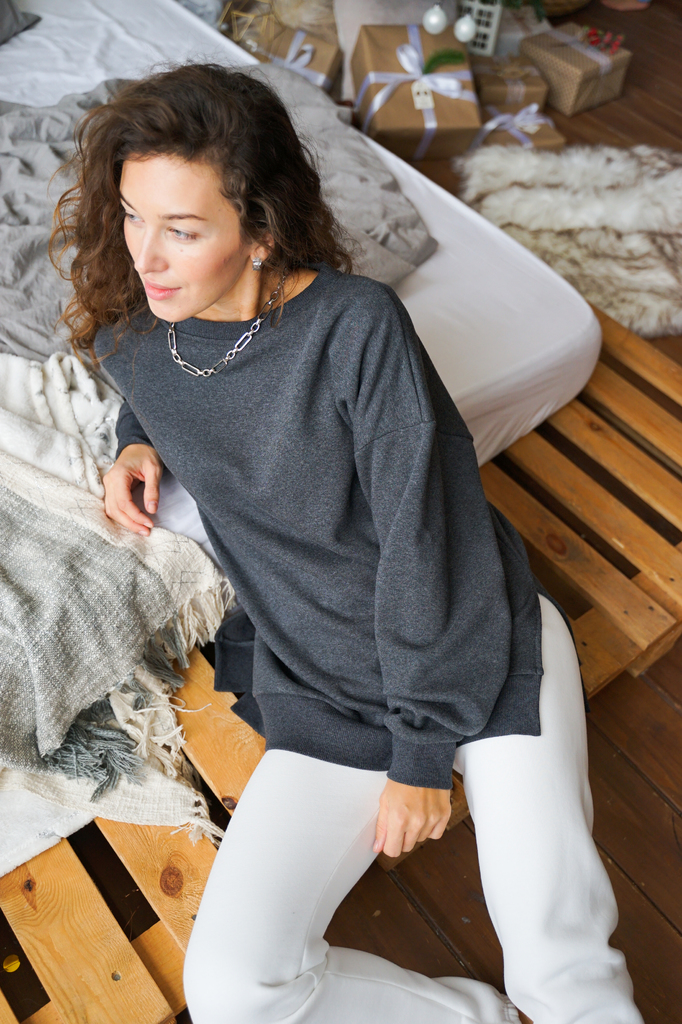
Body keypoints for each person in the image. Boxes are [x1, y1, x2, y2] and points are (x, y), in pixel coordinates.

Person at [51, 62, 644, 1024]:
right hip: (325, 678)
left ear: (260, 229)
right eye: (131, 216)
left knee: (561, 969)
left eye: (183, 229)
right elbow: (161, 390)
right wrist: (136, 442)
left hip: (474, 636)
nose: (147, 255)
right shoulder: (141, 340)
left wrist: (421, 754)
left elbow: (427, 542)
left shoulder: (356, 327)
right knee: (233, 991)